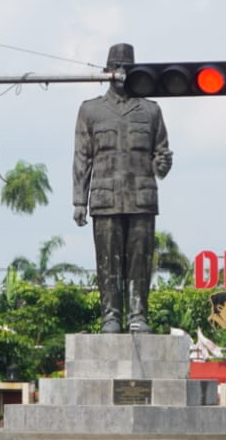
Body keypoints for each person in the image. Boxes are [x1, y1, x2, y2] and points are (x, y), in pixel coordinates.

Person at [73, 42, 173, 334]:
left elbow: (161, 160)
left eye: (127, 68)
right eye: (116, 68)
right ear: (106, 72)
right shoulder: (90, 110)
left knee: (140, 263)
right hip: (105, 199)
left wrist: (163, 163)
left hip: (141, 199)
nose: (121, 73)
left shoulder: (151, 110)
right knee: (108, 262)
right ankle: (111, 316)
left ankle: (137, 315)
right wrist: (79, 201)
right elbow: (83, 157)